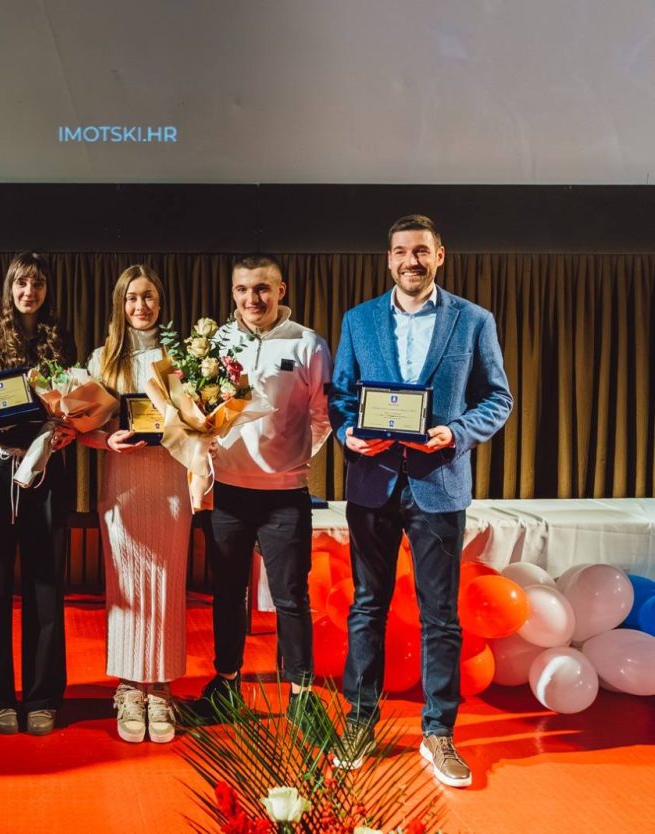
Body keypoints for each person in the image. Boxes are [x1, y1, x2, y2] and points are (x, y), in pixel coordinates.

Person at [329, 215, 512, 788]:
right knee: (367, 607)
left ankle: (438, 733)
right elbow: (340, 396)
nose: (411, 261)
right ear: (389, 259)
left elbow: (498, 398)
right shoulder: (358, 320)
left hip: (440, 483)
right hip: (372, 483)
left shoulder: (473, 320)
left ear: (440, 256)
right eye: (401, 252)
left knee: (440, 616)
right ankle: (360, 723)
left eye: (421, 251)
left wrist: (456, 432)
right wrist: (347, 433)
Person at [191, 255, 333, 740]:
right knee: (228, 593)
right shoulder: (216, 343)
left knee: (291, 596)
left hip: (285, 493)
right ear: (233, 292)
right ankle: (226, 682)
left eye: (262, 289)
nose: (252, 299)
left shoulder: (308, 343)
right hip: (228, 491)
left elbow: (322, 415)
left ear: (281, 290)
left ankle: (301, 695)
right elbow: (200, 407)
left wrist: (295, 458)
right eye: (242, 289)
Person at [0, 253, 76, 735]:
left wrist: (70, 427)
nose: (30, 292)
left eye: (38, 284)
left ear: (47, 289)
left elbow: (72, 401)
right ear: (10, 287)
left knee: (45, 582)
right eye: (22, 283)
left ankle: (42, 696)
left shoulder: (60, 337)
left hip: (45, 465)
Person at [80, 264, 191, 744]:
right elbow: (82, 428)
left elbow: (199, 423)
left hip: (170, 483)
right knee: (124, 584)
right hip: (123, 483)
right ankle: (128, 687)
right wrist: (106, 441)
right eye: (131, 298)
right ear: (119, 305)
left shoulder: (181, 358)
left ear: (160, 302)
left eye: (148, 297)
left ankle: (161, 688)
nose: (140, 306)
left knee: (166, 584)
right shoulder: (102, 359)